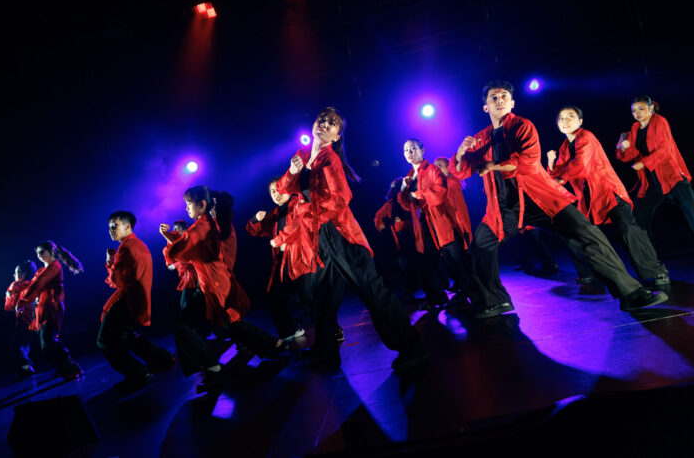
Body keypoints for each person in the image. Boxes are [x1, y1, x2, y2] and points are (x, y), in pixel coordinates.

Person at [450, 81, 667, 318]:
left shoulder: (523, 126)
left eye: (504, 96)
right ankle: (495, 302)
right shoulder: (480, 139)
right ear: (486, 107)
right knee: (481, 246)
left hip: (540, 199)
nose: (499, 100)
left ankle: (631, 293)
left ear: (512, 103)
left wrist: (493, 165)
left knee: (586, 234)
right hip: (504, 206)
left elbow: (528, 161)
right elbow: (462, 171)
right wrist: (461, 154)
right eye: (494, 97)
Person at [273, 107, 426, 372]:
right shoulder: (302, 156)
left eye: (331, 123)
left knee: (371, 290)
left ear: (336, 136)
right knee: (323, 296)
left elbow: (341, 198)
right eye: (321, 119)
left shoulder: (329, 159)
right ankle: (325, 351)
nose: (324, 124)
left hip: (341, 234)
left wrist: (311, 213)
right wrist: (292, 171)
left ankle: (411, 346)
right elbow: (282, 189)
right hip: (319, 236)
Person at [161, 186, 283, 391]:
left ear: (202, 204)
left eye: (189, 204)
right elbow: (188, 246)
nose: (186, 208)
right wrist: (172, 237)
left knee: (186, 326)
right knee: (228, 323)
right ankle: (272, 344)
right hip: (215, 280)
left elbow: (178, 251)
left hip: (213, 283)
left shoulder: (201, 227)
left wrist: (168, 242)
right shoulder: (209, 225)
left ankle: (212, 367)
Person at [547, 106, 669, 286]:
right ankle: (586, 273)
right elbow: (557, 174)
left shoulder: (586, 137)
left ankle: (657, 271)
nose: (565, 121)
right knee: (576, 232)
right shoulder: (565, 146)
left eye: (570, 116)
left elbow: (580, 165)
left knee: (628, 231)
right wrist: (550, 162)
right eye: (561, 118)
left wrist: (560, 176)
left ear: (580, 121)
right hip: (588, 199)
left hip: (608, 192)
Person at [616, 95, 694, 251]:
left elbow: (665, 149)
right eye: (634, 110)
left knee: (691, 206)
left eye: (641, 109)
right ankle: (647, 251)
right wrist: (622, 147)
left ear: (651, 108)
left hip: (670, 175)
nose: (637, 113)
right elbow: (628, 156)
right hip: (652, 181)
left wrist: (644, 163)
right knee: (640, 213)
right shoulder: (635, 129)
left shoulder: (659, 122)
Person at [98, 211, 175, 392]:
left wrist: (109, 262)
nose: (111, 230)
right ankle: (161, 359)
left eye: (114, 226)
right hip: (137, 296)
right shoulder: (137, 244)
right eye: (109, 227)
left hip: (129, 298)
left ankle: (137, 373)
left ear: (128, 226)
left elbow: (117, 280)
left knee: (106, 339)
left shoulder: (127, 247)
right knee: (127, 335)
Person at [398, 140, 474, 310]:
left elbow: (439, 194)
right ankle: (437, 297)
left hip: (441, 222)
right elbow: (406, 205)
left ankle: (480, 299)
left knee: (458, 262)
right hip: (425, 226)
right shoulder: (410, 177)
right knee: (427, 264)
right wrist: (403, 190)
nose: (409, 152)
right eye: (406, 150)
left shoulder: (432, 170)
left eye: (413, 148)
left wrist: (417, 194)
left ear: (422, 150)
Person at [246, 177, 311, 342]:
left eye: (280, 189)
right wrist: (255, 219)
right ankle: (289, 331)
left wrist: (280, 240)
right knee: (274, 297)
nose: (276, 194)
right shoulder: (274, 213)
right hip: (282, 261)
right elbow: (255, 231)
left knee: (308, 296)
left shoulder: (298, 203)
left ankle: (332, 329)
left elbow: (298, 225)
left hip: (300, 258)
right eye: (273, 191)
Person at [17, 241, 83, 380]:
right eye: (37, 253)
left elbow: (38, 284)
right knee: (47, 343)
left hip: (52, 308)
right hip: (42, 309)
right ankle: (64, 367)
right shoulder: (42, 270)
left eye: (42, 252)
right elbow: (34, 285)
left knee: (48, 342)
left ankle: (70, 366)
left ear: (51, 251)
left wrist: (23, 300)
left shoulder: (54, 267)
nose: (39, 255)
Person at [4, 260, 38, 380]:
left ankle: (26, 369)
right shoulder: (26, 285)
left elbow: (10, 306)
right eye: (15, 273)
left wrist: (10, 294)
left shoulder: (19, 285)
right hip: (29, 321)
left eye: (18, 272)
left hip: (26, 321)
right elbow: (11, 307)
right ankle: (26, 368)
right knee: (20, 345)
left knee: (17, 345)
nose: (16, 275)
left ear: (24, 273)